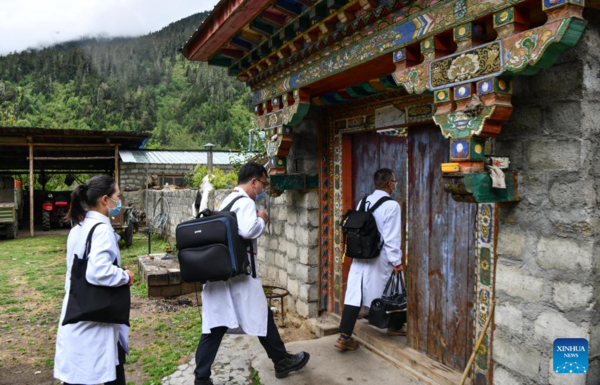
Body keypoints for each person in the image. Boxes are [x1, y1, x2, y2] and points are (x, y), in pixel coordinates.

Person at [194, 162, 310, 385]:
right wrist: (262, 219)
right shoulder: (245, 202)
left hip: (221, 274)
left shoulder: (227, 200)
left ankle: (202, 378)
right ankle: (281, 360)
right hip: (239, 276)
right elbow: (248, 230)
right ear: (254, 182)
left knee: (216, 325)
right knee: (260, 317)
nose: (263, 189)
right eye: (263, 184)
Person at [54, 175, 134, 385]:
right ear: (105, 200)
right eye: (118, 196)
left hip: (77, 307)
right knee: (102, 371)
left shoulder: (78, 229)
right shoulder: (102, 230)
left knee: (86, 373)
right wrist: (125, 275)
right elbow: (98, 271)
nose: (120, 201)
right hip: (96, 315)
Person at [335, 168, 405, 351]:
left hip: (360, 254)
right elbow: (392, 238)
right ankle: (394, 327)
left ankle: (344, 336)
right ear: (390, 183)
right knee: (395, 289)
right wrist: (396, 261)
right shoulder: (392, 206)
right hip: (379, 256)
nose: (394, 184)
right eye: (394, 182)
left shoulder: (363, 202)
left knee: (354, 294)